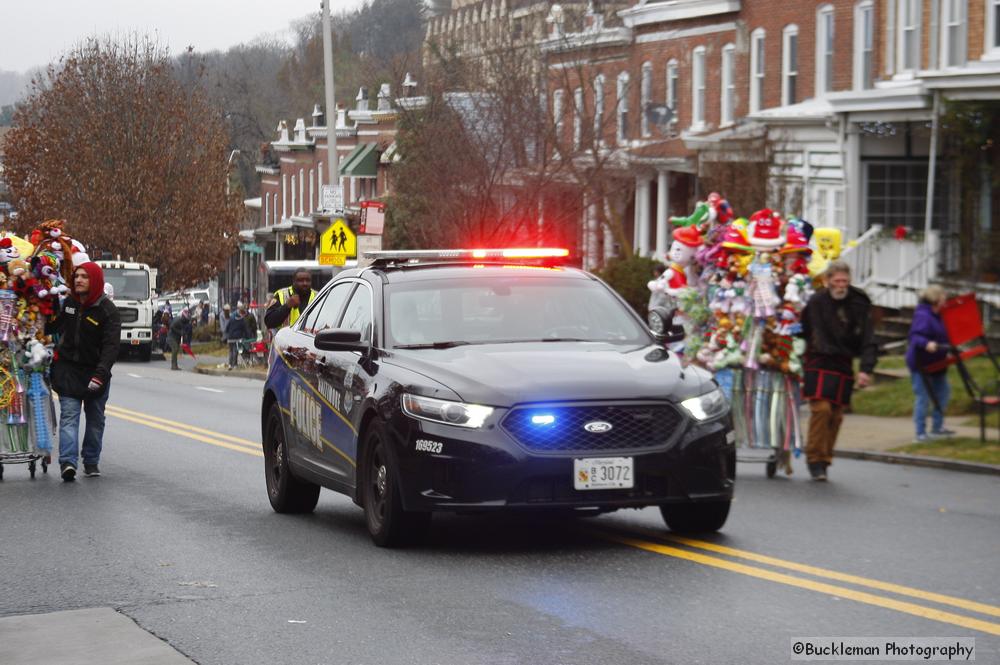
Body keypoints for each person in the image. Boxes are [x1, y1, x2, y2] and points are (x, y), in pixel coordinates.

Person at [800, 260, 877, 481]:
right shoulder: (816, 302)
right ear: (828, 281)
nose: (841, 285)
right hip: (818, 360)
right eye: (837, 281)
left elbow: (868, 338)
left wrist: (866, 369)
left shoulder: (859, 302)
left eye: (844, 281)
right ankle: (814, 460)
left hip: (843, 362)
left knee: (836, 415)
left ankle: (825, 458)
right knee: (821, 410)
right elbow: (804, 330)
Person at [49, 262, 121, 481]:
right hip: (69, 370)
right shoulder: (69, 303)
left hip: (95, 373)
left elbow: (111, 347)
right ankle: (68, 463)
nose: (78, 280)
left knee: (95, 419)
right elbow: (53, 326)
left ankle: (91, 460)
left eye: (84, 277)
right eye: (76, 276)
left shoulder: (107, 311)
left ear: (95, 281)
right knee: (69, 416)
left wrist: (100, 375)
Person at [906, 285, 954, 442]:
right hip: (921, 363)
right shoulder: (923, 315)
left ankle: (937, 427)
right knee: (923, 397)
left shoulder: (939, 315)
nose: (945, 300)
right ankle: (920, 433)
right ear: (936, 299)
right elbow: (914, 336)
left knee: (943, 393)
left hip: (938, 362)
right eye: (943, 297)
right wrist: (927, 343)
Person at [225, 305, 249, 369]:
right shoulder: (242, 320)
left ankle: (230, 364)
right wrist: (247, 337)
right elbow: (245, 329)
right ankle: (235, 364)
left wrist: (227, 333)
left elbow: (227, 327)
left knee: (230, 351)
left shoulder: (232, 317)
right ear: (242, 313)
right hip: (237, 338)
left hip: (230, 337)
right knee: (235, 351)